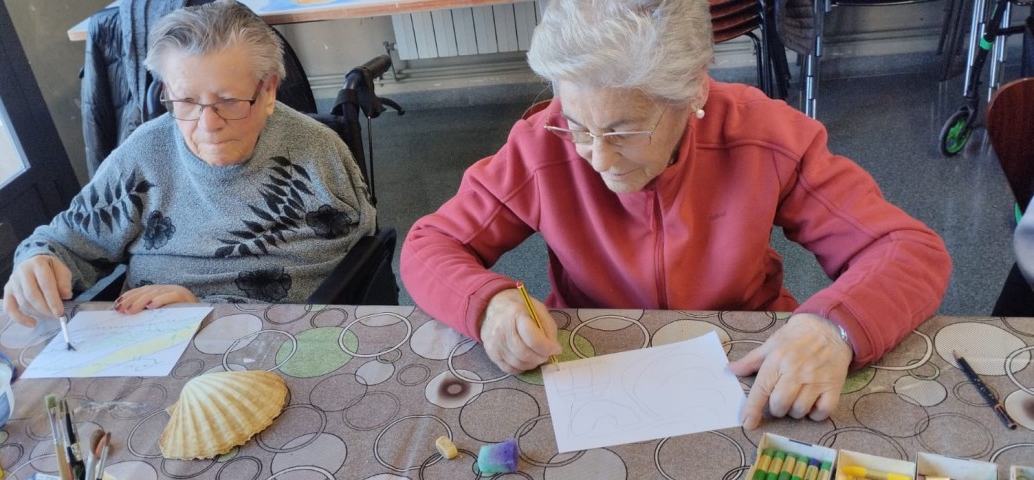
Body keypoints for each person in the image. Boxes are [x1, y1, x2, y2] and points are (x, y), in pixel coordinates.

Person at [399, 0, 951, 430]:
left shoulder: (766, 135)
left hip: (745, 365)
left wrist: (834, 327)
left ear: (692, 92)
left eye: (624, 130)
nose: (597, 157)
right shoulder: (541, 144)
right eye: (578, 125)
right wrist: (489, 304)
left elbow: (910, 251)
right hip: (591, 366)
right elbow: (430, 246)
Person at [3, 0, 375, 326]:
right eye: (185, 101)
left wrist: (207, 315)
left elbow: (352, 281)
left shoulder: (318, 154)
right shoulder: (144, 153)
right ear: (166, 92)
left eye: (229, 101)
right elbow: (66, 240)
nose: (208, 124)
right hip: (149, 338)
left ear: (268, 91)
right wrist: (39, 260)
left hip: (269, 342)